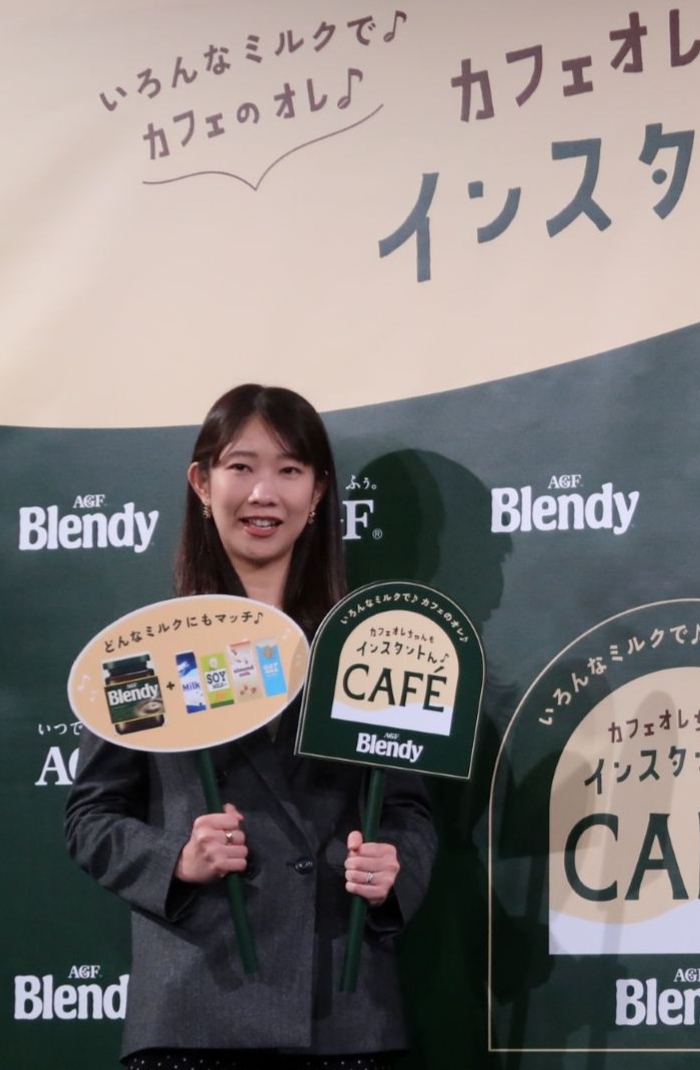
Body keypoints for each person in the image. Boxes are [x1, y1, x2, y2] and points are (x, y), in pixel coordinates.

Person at [66, 384, 437, 1069]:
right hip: (195, 1014)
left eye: (289, 470)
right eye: (241, 466)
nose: (264, 492)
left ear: (317, 492)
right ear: (202, 484)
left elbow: (408, 811)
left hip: (346, 1014)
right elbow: (91, 817)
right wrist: (177, 859)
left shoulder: (366, 654)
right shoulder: (143, 654)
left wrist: (395, 868)